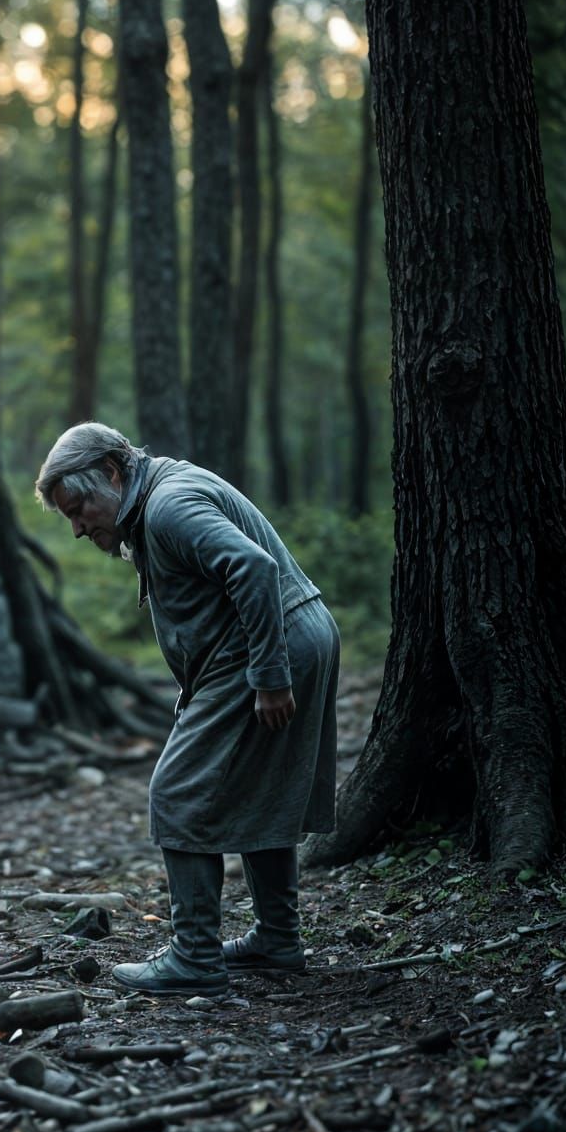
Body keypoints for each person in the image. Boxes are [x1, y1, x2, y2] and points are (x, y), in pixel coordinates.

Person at [35, 421, 340, 998]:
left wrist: (270, 677)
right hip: (283, 640)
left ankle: (195, 955)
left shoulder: (169, 505)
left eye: (78, 509)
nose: (77, 529)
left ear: (111, 473)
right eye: (68, 518)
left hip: (271, 648)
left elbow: (253, 568)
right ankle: (277, 939)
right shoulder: (156, 497)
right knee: (261, 789)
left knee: (177, 793)